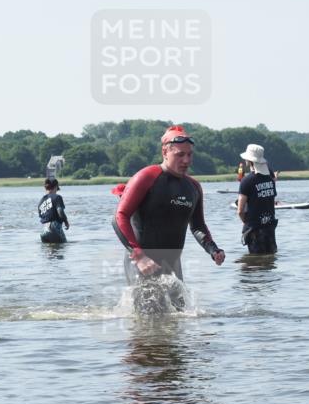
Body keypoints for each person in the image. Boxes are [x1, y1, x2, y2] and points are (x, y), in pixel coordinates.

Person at [112, 126, 225, 308]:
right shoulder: (146, 177)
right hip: (143, 261)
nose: (186, 160)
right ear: (165, 152)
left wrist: (213, 249)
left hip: (172, 263)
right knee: (147, 319)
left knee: (178, 317)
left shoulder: (193, 187)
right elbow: (119, 217)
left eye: (189, 155)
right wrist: (138, 256)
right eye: (180, 155)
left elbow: (198, 226)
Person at [237, 143, 278, 254]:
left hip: (254, 232)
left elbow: (240, 211)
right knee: (270, 263)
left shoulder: (246, 181)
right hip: (270, 228)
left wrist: (247, 223)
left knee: (255, 265)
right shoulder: (270, 180)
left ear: (249, 161)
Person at [38, 177, 69, 243]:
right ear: (56, 187)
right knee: (63, 247)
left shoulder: (41, 201)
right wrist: (66, 221)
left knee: (48, 251)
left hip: (44, 230)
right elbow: (60, 211)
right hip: (54, 228)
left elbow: (41, 216)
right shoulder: (57, 197)